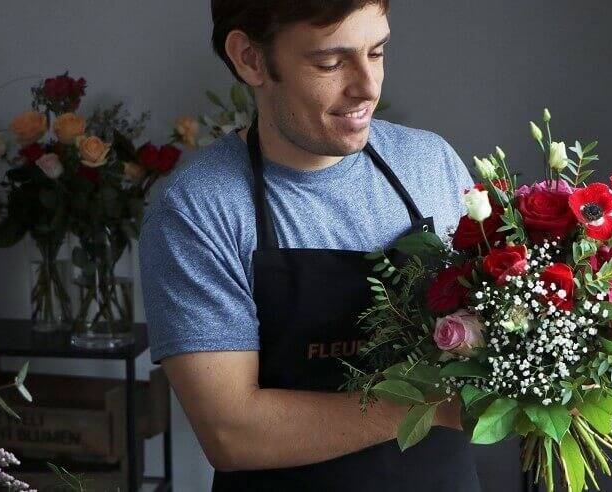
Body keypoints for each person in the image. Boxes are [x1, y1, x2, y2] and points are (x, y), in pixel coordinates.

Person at [138, 1, 481, 490]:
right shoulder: (196, 210)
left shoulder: (429, 162)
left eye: (377, 52)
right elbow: (232, 433)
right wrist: (426, 404)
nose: (367, 88)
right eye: (330, 63)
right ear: (250, 59)